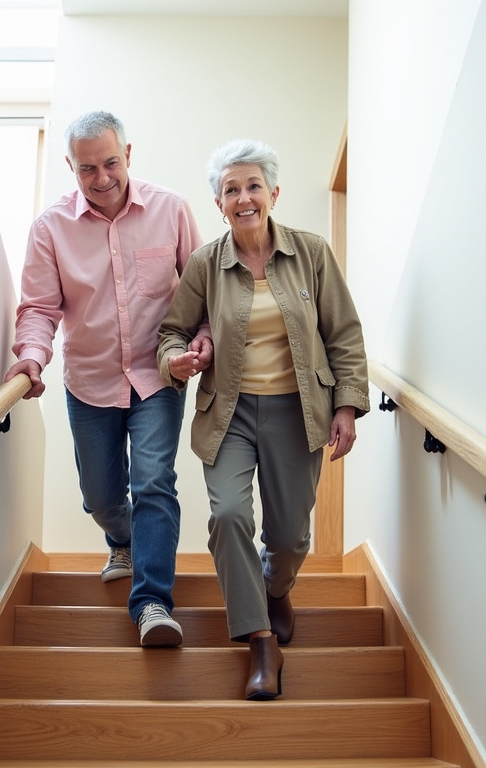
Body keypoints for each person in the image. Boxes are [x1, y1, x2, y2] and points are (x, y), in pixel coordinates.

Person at [158, 139, 369, 699]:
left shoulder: (312, 253)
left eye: (253, 186)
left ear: (273, 194)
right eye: (232, 189)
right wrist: (177, 360)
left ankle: (277, 589)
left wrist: (346, 404)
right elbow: (172, 333)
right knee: (228, 516)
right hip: (228, 414)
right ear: (219, 203)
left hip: (298, 411)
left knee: (291, 536)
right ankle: (260, 643)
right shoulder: (206, 263)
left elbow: (343, 334)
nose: (244, 197)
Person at [4, 111, 211, 646]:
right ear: (71, 167)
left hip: (157, 376)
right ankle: (121, 540)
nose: (101, 178)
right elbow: (39, 308)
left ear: (129, 154)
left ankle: (152, 605)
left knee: (153, 481)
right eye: (87, 168)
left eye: (111, 163)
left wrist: (202, 340)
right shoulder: (50, 228)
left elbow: (204, 288)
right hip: (89, 380)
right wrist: (31, 355)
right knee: (101, 496)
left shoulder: (171, 209)